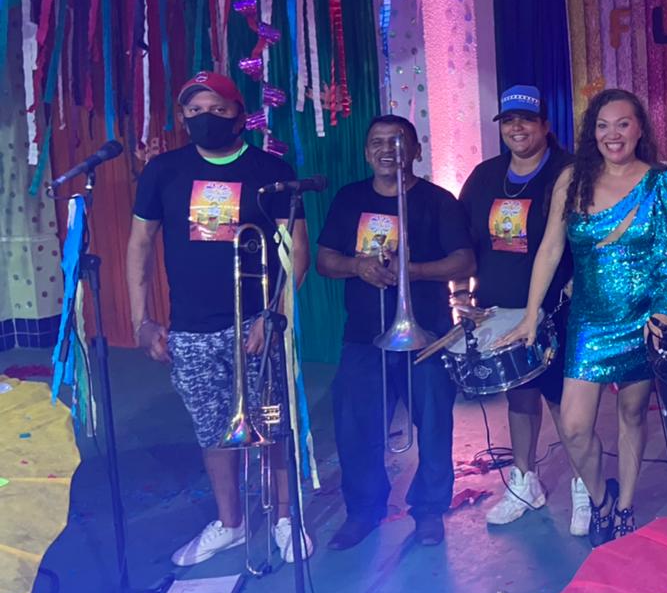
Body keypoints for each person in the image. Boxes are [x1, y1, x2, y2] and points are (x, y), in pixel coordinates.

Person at [126, 71, 312, 566]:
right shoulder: (163, 171)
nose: (204, 118)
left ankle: (285, 518)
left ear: (238, 115)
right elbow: (139, 244)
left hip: (255, 325)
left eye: (216, 109)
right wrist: (142, 320)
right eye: (194, 111)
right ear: (183, 117)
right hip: (190, 330)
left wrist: (272, 315)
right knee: (213, 431)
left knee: (272, 424)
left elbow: (298, 252)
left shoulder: (270, 169)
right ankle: (231, 524)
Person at [503, 89, 667, 545]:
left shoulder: (663, 184)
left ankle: (624, 506)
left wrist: (664, 313)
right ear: (592, 132)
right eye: (603, 126)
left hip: (644, 320)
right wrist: (531, 314)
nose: (613, 135)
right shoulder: (573, 180)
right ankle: (599, 498)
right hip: (589, 321)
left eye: (623, 124)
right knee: (573, 425)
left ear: (639, 128)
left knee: (632, 413)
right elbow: (551, 248)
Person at [317, 115, 476, 550]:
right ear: (367, 152)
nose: (387, 149)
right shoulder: (349, 199)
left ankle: (429, 510)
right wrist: (358, 266)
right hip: (364, 335)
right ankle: (363, 511)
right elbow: (325, 260)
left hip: (428, 333)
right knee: (356, 426)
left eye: (398, 141)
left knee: (434, 424)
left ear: (416, 150)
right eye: (378, 142)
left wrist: (412, 271)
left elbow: (465, 261)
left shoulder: (438, 201)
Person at [458, 85, 590, 533]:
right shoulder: (484, 176)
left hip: (556, 306)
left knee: (560, 399)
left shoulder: (569, 172)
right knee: (518, 393)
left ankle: (584, 485)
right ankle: (524, 480)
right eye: (509, 120)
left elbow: (586, 239)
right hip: (498, 306)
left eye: (527, 120)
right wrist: (462, 293)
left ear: (545, 126)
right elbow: (465, 241)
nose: (517, 128)